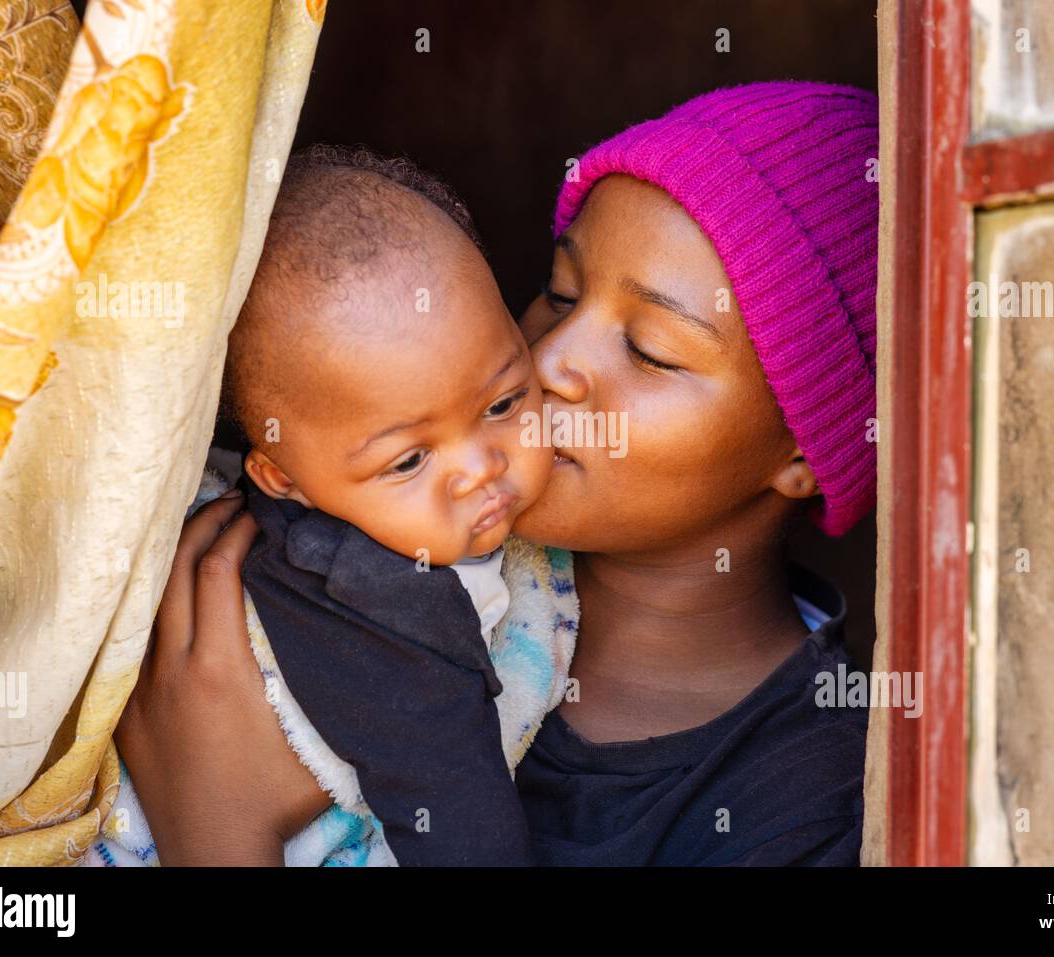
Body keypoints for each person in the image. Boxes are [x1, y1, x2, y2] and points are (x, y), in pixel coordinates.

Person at [117, 81, 880, 866]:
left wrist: (214, 827)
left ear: (800, 452)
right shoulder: (371, 536)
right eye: (560, 294)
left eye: (650, 348)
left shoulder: (809, 810)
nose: (550, 361)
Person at [93, 145, 573, 867]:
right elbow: (466, 822)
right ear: (282, 477)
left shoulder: (343, 484)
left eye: (504, 402)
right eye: (409, 460)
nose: (481, 468)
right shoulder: (393, 607)